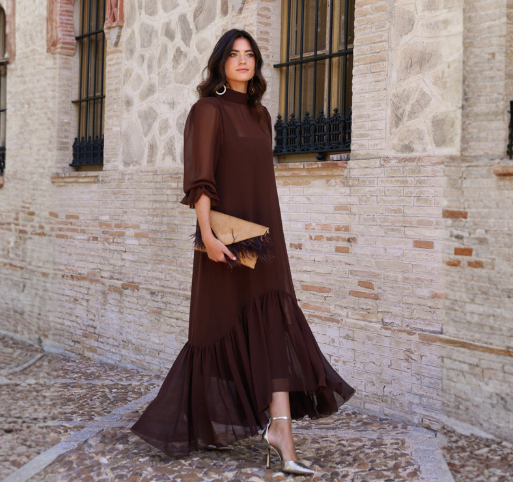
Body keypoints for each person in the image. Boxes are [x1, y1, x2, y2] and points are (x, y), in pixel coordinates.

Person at [129, 29, 356, 475]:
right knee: (215, 331)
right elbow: (200, 180)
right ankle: (210, 422)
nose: (243, 60)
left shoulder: (261, 115)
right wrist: (208, 237)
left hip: (264, 239)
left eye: (249, 55)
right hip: (224, 239)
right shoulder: (207, 110)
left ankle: (281, 429)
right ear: (220, 63)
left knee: (272, 325)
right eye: (234, 55)